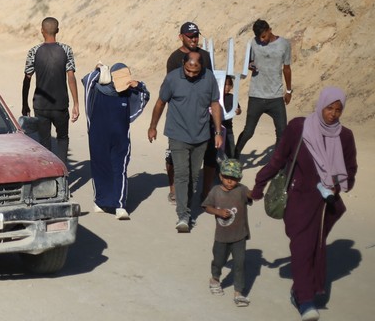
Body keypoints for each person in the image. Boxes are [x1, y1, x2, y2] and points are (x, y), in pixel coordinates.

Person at [251, 87, 357, 321]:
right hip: (298, 199)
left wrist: (334, 187)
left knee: (313, 248)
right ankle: (306, 299)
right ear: (321, 105)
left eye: (338, 110)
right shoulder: (299, 127)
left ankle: (302, 292)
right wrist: (259, 185)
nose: (333, 114)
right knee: (301, 247)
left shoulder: (345, 136)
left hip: (324, 205)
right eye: (329, 108)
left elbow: (350, 170)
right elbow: (278, 158)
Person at [148, 51, 224, 232]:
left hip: (201, 135)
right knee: (182, 174)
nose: (191, 74)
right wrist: (153, 126)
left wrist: (218, 132)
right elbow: (160, 103)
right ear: (183, 64)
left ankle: (187, 205)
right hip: (177, 134)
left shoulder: (209, 78)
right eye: (188, 71)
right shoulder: (172, 79)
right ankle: (183, 215)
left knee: (193, 177)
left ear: (202, 67)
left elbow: (215, 104)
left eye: (195, 72)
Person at [83, 63, 149, 220]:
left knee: (119, 168)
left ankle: (120, 205)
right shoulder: (96, 91)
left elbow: (145, 95)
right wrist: (99, 70)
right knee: (100, 167)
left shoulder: (127, 93)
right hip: (97, 136)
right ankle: (101, 201)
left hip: (120, 138)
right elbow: (87, 80)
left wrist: (138, 84)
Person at [165, 21, 214, 205]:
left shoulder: (206, 56)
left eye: (196, 36)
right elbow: (170, 89)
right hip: (180, 118)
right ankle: (173, 190)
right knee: (173, 154)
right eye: (190, 36)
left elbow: (210, 84)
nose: (194, 39)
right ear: (181, 37)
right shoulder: (174, 59)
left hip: (203, 114)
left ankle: (206, 192)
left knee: (210, 153)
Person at [21, 17, 79, 167]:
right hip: (61, 105)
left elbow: (27, 79)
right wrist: (76, 104)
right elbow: (71, 77)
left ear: (42, 31)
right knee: (62, 138)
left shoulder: (34, 51)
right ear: (57, 31)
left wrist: (25, 104)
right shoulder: (66, 50)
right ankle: (62, 173)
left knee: (45, 141)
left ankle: (49, 173)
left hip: (40, 105)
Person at [235, 19, 292, 161]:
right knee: (248, 132)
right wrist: (251, 66)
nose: (262, 40)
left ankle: (276, 162)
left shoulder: (284, 44)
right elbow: (248, 63)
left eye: (264, 36)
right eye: (259, 37)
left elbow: (287, 68)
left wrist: (289, 91)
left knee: (282, 132)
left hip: (276, 96)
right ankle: (234, 156)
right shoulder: (253, 43)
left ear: (269, 30)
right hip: (256, 95)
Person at [203, 158, 253, 307]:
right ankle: (215, 279)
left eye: (234, 178)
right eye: (227, 177)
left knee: (240, 263)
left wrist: (258, 191)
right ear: (220, 176)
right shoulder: (215, 191)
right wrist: (217, 211)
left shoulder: (242, 190)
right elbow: (206, 206)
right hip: (221, 236)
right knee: (219, 260)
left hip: (239, 235)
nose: (230, 181)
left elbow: (252, 195)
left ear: (239, 178)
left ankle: (238, 293)